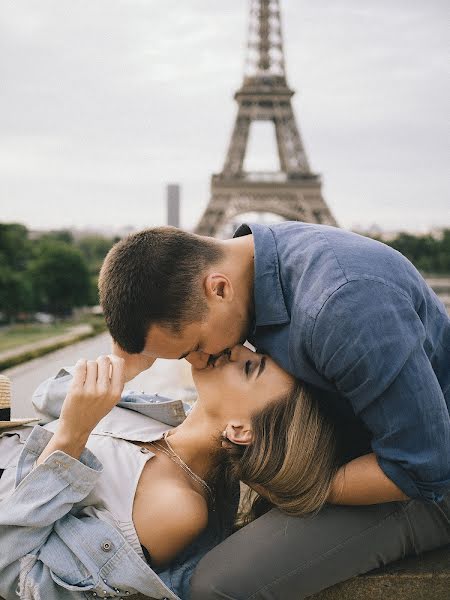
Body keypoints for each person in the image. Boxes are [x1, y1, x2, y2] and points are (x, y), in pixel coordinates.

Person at [98, 221, 450, 599]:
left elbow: (423, 469)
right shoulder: (256, 265)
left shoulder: (341, 305)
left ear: (218, 288)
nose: (200, 362)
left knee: (218, 586)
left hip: (427, 485)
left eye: (195, 346)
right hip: (375, 448)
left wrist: (298, 484)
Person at [0, 345, 341, 600]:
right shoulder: (162, 416)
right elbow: (49, 403)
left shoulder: (178, 509)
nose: (235, 349)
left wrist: (72, 437)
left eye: (250, 367)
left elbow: (16, 572)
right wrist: (124, 365)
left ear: (241, 430)